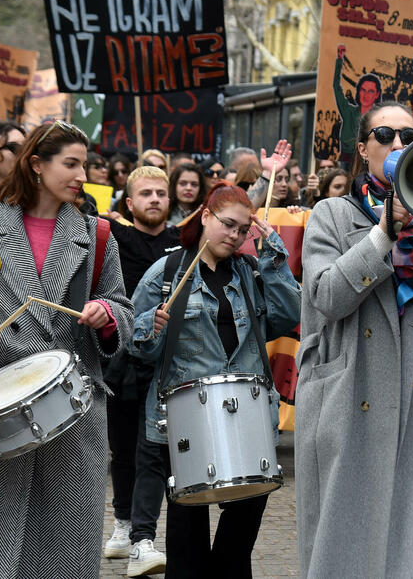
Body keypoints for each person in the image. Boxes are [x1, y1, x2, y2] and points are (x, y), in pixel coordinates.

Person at [295, 102, 413, 576]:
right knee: (349, 542)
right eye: (385, 135)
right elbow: (326, 296)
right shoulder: (332, 214)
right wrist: (383, 234)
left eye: (410, 136)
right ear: (363, 149)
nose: (399, 145)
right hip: (351, 387)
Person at [0, 120, 133, 578]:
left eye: (84, 163)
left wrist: (105, 312)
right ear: (37, 165)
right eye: (71, 163)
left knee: (64, 546)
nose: (83, 174)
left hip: (75, 407)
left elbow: (121, 304)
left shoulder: (96, 233)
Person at [129, 182, 301, 578]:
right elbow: (138, 347)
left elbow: (288, 313)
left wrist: (273, 254)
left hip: (247, 409)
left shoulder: (252, 271)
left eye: (244, 230)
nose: (236, 236)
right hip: (186, 411)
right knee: (187, 527)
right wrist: (149, 327)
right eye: (228, 225)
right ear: (205, 216)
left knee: (248, 509)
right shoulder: (168, 272)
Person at [100, 166, 180, 575]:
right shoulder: (114, 239)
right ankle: (123, 523)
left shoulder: (182, 243)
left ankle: (143, 536)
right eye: (145, 193)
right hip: (123, 362)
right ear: (128, 203)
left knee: (156, 450)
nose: (154, 199)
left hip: (167, 362)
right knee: (124, 447)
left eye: (160, 193)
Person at [333, 43, 382, 161]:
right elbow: (336, 87)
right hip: (346, 160)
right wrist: (340, 59)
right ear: (358, 92)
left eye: (370, 91)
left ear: (377, 95)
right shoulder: (348, 112)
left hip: (370, 163)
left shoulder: (381, 118)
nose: (365, 95)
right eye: (363, 90)